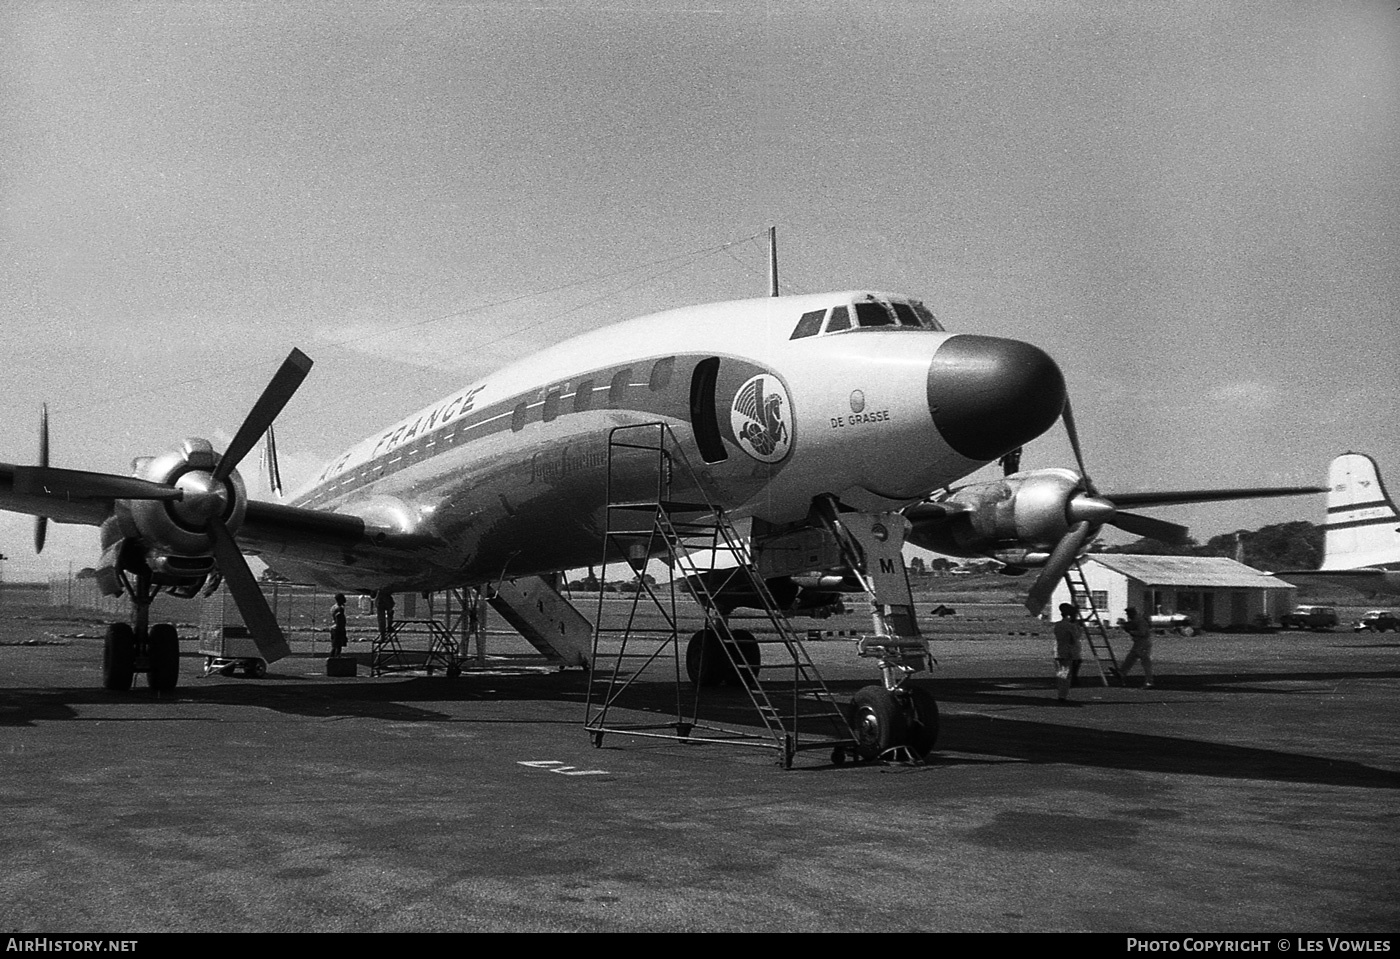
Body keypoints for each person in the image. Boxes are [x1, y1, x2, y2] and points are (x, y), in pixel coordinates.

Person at [1052, 603, 1084, 703]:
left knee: (1061, 674)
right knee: (1066, 675)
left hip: (1057, 650)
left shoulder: (1058, 625)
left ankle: (1060, 693)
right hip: (1067, 652)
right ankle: (1062, 696)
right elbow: (1076, 637)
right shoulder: (1070, 626)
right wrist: (1078, 626)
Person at [1119, 606, 1155, 687]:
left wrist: (1131, 631)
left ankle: (1149, 681)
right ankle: (1122, 672)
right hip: (1139, 643)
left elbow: (1142, 633)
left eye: (1128, 613)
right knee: (1130, 658)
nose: (1127, 615)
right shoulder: (1136, 620)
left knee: (1145, 662)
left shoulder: (1139, 620)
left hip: (1143, 643)